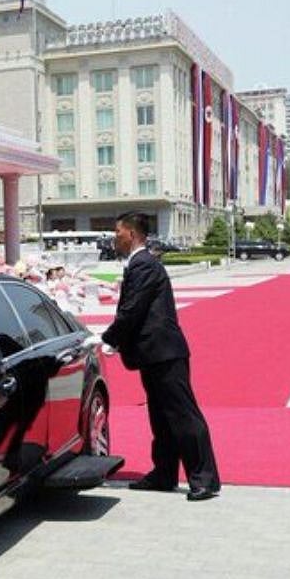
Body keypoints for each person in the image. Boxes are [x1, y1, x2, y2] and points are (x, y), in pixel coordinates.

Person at [100, 212, 221, 502]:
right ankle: (165, 473)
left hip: (164, 352)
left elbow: (132, 310)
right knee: (161, 417)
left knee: (182, 415)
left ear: (131, 234)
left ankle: (204, 478)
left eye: (117, 232)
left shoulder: (143, 265)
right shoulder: (140, 264)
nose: (114, 237)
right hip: (153, 353)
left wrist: (108, 339)